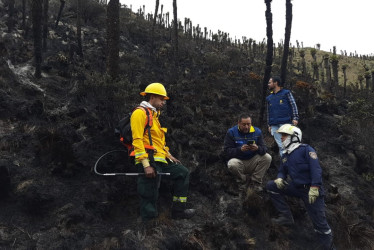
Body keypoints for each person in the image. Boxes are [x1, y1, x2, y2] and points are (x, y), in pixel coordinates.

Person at [131, 82, 195, 221]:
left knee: (182, 173)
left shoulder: (154, 117)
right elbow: (137, 140)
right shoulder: (139, 113)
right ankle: (148, 223)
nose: (163, 103)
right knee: (149, 191)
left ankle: (178, 212)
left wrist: (169, 154)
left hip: (161, 158)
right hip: (148, 159)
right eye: (162, 99)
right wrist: (146, 165)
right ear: (152, 97)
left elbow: (158, 141)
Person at [266, 124, 335, 250]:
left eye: (284, 135)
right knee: (271, 186)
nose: (281, 138)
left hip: (312, 191)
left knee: (320, 224)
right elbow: (282, 170)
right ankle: (286, 216)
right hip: (296, 188)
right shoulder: (286, 155)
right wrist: (280, 178)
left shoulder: (306, 149)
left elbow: (316, 170)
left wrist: (315, 187)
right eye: (281, 136)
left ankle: (329, 247)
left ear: (294, 137)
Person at [223, 114, 272, 192]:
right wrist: (240, 150)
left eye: (248, 124)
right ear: (239, 123)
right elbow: (227, 151)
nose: (246, 127)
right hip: (239, 161)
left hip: (253, 160)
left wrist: (257, 148)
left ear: (251, 123)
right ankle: (243, 180)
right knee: (232, 164)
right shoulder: (231, 132)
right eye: (244, 124)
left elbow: (264, 149)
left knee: (267, 157)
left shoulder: (257, 132)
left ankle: (255, 182)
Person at [266, 76, 299, 156]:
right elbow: (268, 112)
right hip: (274, 125)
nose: (268, 84)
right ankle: (284, 164)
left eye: (270, 82)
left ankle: (292, 164)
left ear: (276, 83)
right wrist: (269, 124)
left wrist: (295, 117)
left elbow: (293, 105)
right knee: (281, 146)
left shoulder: (286, 93)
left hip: (286, 123)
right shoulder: (269, 98)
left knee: (289, 144)